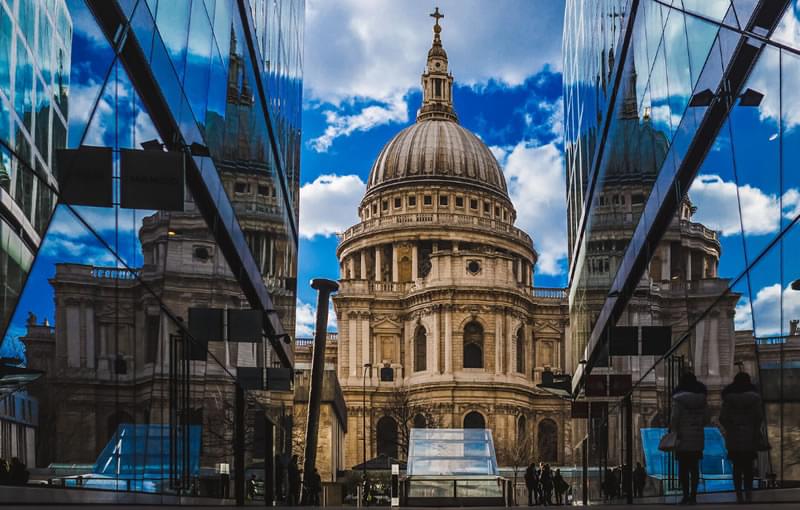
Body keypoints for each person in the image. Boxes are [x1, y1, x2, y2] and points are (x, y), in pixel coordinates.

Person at [720, 372, 763, 504]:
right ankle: (748, 493)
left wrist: (731, 427)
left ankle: (739, 494)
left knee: (737, 467)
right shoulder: (754, 398)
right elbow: (759, 417)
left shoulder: (729, 399)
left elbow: (723, 418)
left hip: (734, 436)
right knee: (748, 466)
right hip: (750, 436)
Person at [671, 372, 707, 505]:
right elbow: (707, 418)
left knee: (683, 468)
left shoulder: (678, 399)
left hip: (682, 438)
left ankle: (685, 495)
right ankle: (694, 495)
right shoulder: (702, 399)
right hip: (697, 436)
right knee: (694, 468)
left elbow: (675, 418)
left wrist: (674, 431)